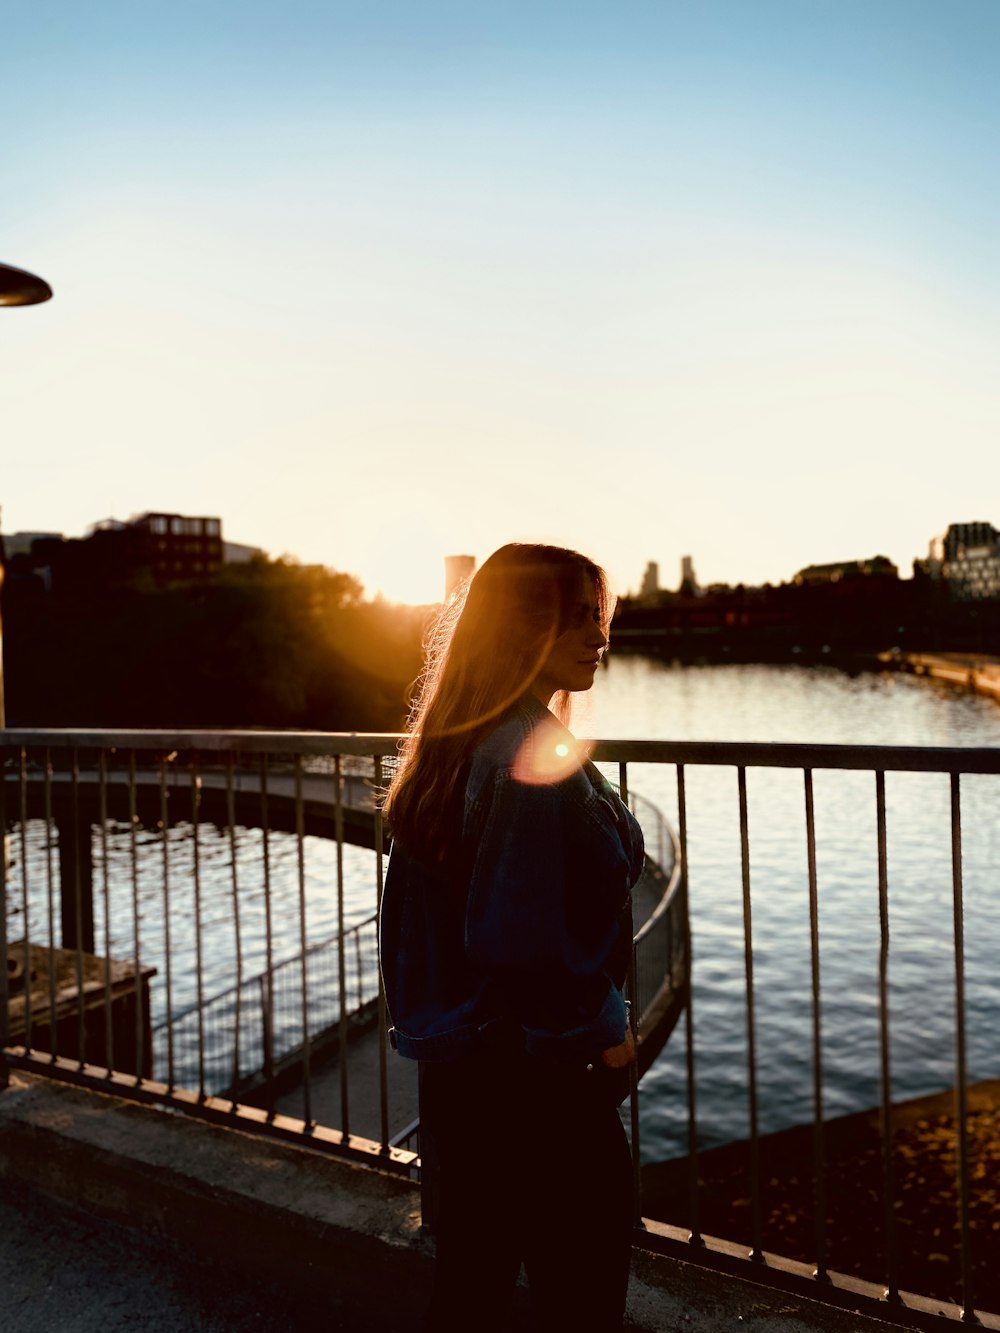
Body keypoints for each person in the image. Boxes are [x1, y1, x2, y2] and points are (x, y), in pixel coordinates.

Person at [379, 543, 645, 1332]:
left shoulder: (453, 743)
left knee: (471, 1283)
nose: (600, 637)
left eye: (601, 619)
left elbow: (433, 927)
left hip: (466, 1078)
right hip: (542, 1078)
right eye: (583, 619)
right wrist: (611, 1033)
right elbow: (521, 938)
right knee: (584, 1286)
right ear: (529, 626)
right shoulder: (535, 751)